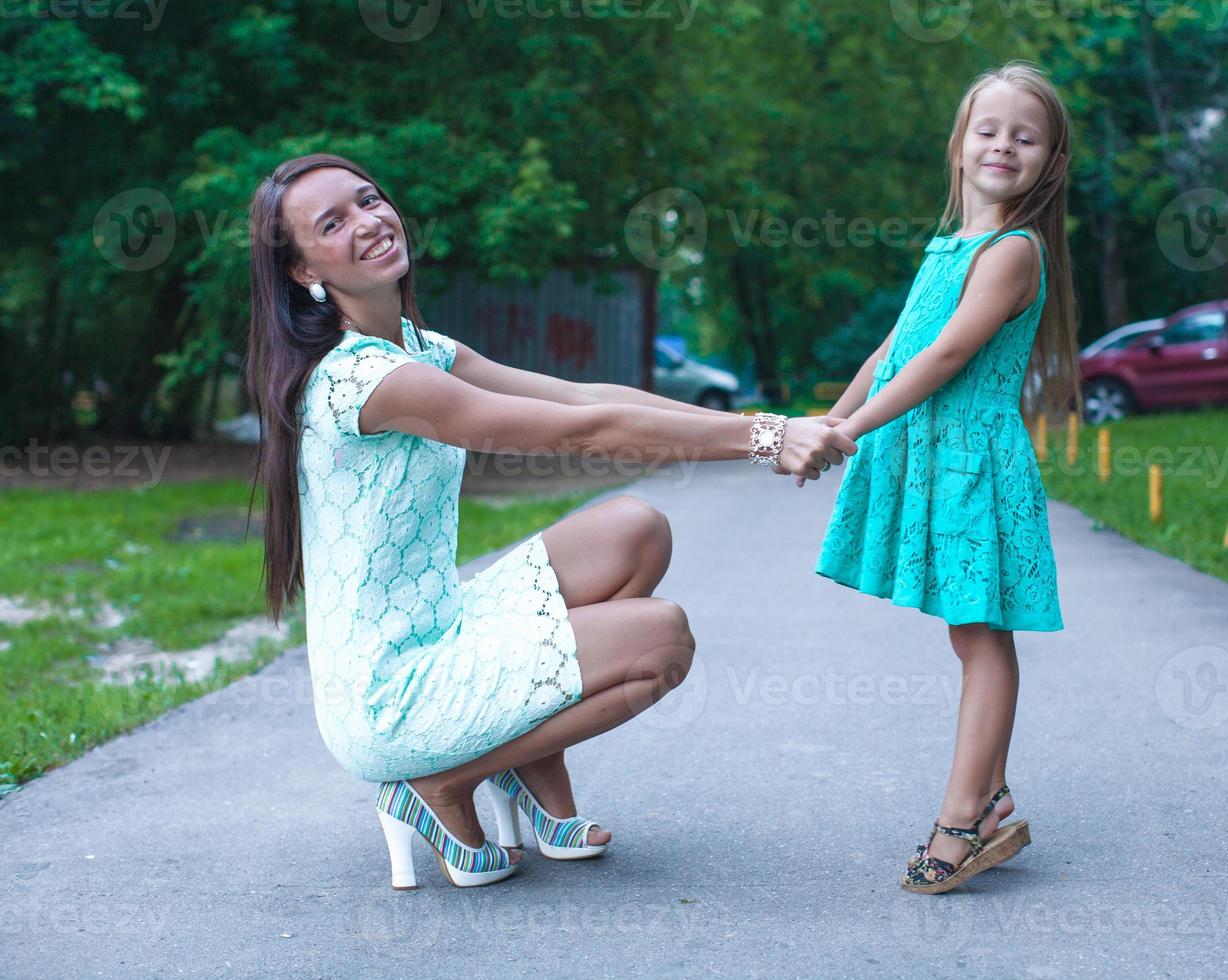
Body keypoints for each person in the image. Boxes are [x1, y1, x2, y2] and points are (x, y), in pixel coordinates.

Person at [244, 153, 857, 890]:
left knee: (634, 529)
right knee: (659, 638)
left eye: (370, 200)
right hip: (392, 693)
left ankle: (533, 786)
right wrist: (764, 443)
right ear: (304, 271)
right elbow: (580, 435)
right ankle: (441, 784)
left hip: (443, 627)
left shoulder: (419, 347)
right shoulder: (366, 380)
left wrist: (771, 423)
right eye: (333, 223)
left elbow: (575, 396)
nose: (370, 222)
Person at [808, 61, 1081, 894]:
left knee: (981, 636)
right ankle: (988, 794)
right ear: (959, 145)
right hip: (938, 464)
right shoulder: (949, 245)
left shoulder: (1013, 251)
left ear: (1049, 161)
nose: (1004, 145)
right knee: (973, 633)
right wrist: (828, 423)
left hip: (975, 469)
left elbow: (950, 353)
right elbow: (892, 350)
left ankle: (964, 816)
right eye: (988, 129)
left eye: (1025, 136)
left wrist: (857, 427)